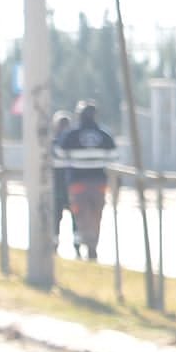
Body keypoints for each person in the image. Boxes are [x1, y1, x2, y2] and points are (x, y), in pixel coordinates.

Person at [54, 102, 118, 260]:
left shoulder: (71, 135)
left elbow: (59, 158)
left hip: (78, 183)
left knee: (81, 215)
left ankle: (87, 244)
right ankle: (92, 247)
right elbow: (114, 159)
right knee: (96, 215)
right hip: (99, 183)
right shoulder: (105, 136)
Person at [48, 110, 74, 255]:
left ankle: (76, 245)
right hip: (59, 185)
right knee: (56, 217)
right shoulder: (52, 143)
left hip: (67, 186)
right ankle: (54, 245)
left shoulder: (70, 142)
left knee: (73, 217)